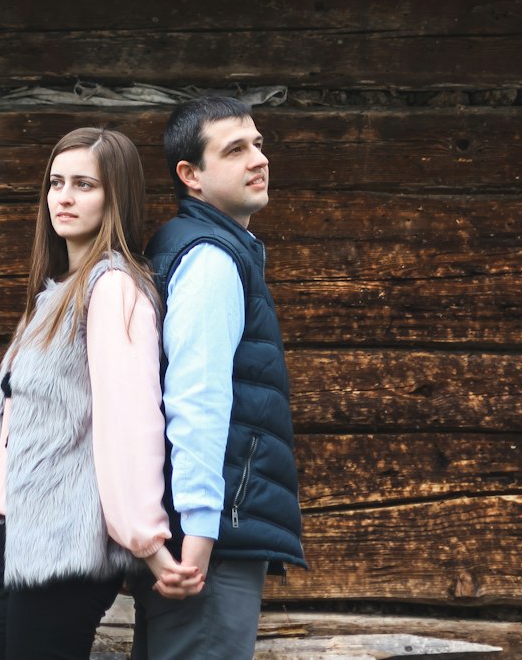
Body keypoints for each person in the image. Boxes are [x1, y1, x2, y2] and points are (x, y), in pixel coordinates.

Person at [0, 126, 202, 660]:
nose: (64, 197)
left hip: (65, 544)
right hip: (18, 539)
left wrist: (149, 544)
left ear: (116, 197)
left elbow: (130, 425)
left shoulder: (112, 287)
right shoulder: (55, 293)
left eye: (85, 185)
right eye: (56, 182)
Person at [131, 95, 307, 660]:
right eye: (235, 150)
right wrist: (202, 532)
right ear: (192, 177)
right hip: (210, 539)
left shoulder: (199, 247)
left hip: (200, 530)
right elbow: (196, 400)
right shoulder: (210, 260)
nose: (259, 158)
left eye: (258, 143)